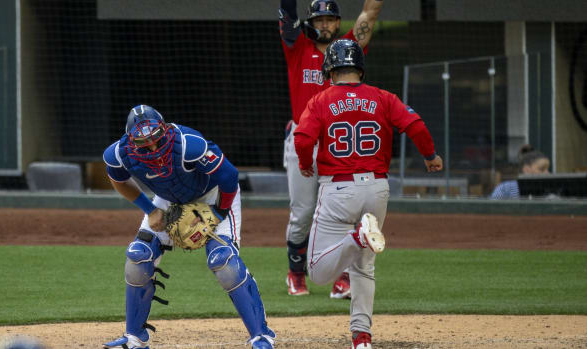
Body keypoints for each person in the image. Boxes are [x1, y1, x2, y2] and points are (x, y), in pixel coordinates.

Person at [294, 39, 443, 349]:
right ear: (359, 67)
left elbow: (303, 138)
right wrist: (430, 156)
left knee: (318, 272)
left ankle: (358, 237)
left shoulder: (321, 100)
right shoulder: (383, 97)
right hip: (377, 188)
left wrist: (306, 165)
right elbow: (416, 126)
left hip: (338, 188)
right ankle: (361, 337)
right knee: (364, 267)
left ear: (330, 69)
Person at [102, 105, 275, 349]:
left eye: (156, 139)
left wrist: (217, 213)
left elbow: (229, 177)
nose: (152, 147)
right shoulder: (118, 154)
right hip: (169, 202)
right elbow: (118, 180)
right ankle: (134, 338)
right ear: (131, 140)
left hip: (213, 197)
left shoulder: (189, 145)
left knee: (223, 261)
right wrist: (150, 209)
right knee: (138, 257)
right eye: (143, 142)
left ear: (165, 131)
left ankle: (262, 336)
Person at [279, 0, 385, 298]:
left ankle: (340, 277)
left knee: (341, 212)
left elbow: (371, 14)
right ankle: (296, 273)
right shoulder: (297, 46)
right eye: (319, 19)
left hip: (337, 144)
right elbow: (287, 13)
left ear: (338, 22)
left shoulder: (349, 48)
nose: (324, 24)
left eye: (330, 19)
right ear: (311, 22)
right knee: (302, 214)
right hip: (304, 139)